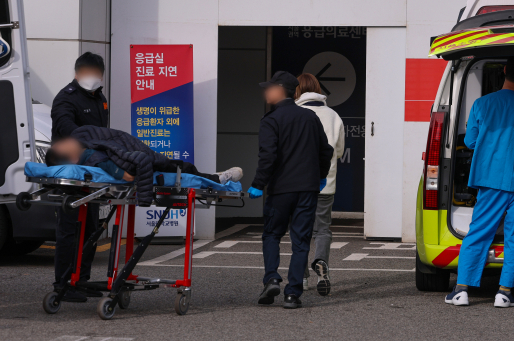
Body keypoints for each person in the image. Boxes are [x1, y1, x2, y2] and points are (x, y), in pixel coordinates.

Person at [445, 56, 514, 308]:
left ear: (504, 70)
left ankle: (461, 290)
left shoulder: (482, 104)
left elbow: (470, 142)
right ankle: (504, 293)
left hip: (490, 178)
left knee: (479, 232)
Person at [248, 71, 334, 309]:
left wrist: (258, 184)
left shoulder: (270, 120)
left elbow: (268, 156)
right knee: (301, 241)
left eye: (269, 88)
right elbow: (325, 151)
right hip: (307, 189)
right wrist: (320, 177)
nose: (266, 92)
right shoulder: (310, 117)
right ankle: (292, 294)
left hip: (281, 190)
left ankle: (272, 279)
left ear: (280, 90)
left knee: (272, 234)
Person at [49, 52, 109, 302]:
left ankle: (81, 279)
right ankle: (63, 283)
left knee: (91, 228)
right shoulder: (66, 99)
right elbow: (67, 129)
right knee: (71, 228)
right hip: (70, 168)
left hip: (92, 170)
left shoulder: (99, 98)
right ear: (78, 73)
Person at [295, 73, 345, 296]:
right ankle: (321, 262)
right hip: (326, 182)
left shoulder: (295, 114)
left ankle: (302, 277)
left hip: (297, 184)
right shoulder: (333, 115)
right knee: (322, 229)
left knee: (300, 229)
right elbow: (340, 151)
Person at [45, 131, 242, 185]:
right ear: (71, 159)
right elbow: (128, 177)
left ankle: (214, 177)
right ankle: (218, 179)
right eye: (63, 145)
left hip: (141, 161)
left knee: (182, 167)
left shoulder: (89, 153)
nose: (68, 140)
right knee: (183, 168)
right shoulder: (91, 157)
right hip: (147, 167)